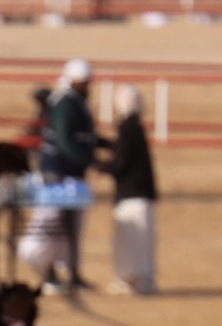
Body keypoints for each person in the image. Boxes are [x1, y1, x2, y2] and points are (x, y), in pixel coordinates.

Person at [20, 58, 97, 290]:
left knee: (71, 225)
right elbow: (65, 140)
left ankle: (71, 273)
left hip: (69, 174)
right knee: (53, 224)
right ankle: (50, 273)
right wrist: (89, 159)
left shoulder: (73, 102)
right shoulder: (65, 103)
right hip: (59, 174)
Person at [105, 85, 157, 294]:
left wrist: (98, 165)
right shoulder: (135, 127)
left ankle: (134, 280)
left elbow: (121, 162)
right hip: (142, 192)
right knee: (142, 241)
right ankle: (140, 279)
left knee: (130, 240)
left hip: (132, 194)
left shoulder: (127, 128)